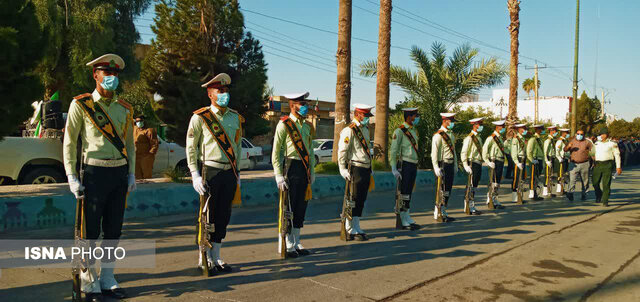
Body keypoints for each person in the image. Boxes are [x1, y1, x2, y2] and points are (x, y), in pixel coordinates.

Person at [63, 54, 135, 301]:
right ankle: (88, 280)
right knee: (89, 231)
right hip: (93, 172)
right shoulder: (81, 105)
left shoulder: (125, 108)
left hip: (119, 173)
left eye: (115, 75)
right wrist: (71, 176)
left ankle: (108, 277)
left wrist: (132, 172)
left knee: (114, 229)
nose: (111, 78)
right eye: (107, 74)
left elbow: (129, 145)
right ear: (95, 75)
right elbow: (70, 143)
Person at [186, 73, 243, 273]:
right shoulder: (200, 118)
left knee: (223, 216)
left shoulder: (235, 117)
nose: (224, 94)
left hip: (229, 171)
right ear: (210, 94)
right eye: (220, 91)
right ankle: (203, 256)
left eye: (226, 91)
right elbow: (191, 148)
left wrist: (238, 174)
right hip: (209, 170)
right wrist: (194, 173)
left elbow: (236, 146)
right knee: (207, 216)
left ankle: (217, 256)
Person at [272, 92, 316, 257]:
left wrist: (312, 170)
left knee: (300, 206)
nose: (305, 106)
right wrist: (278, 175)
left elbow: (310, 150)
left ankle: (296, 241)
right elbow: (276, 152)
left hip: (303, 169)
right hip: (289, 167)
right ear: (292, 105)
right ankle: (286, 243)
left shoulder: (306, 126)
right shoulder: (284, 124)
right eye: (301, 103)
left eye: (306, 103)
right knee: (288, 207)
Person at [338, 104, 375, 239]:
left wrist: (371, 168)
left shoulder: (364, 129)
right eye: (365, 116)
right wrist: (342, 168)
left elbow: (367, 150)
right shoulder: (349, 130)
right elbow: (342, 151)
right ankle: (349, 227)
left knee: (361, 199)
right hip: (355, 168)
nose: (367, 119)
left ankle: (356, 225)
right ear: (358, 114)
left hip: (365, 168)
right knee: (352, 198)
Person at [389, 108, 421, 229]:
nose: (417, 118)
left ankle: (407, 215)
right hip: (405, 164)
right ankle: (402, 218)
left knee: (409, 191)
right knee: (403, 191)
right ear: (409, 117)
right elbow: (394, 150)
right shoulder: (400, 131)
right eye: (415, 116)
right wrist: (393, 167)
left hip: (413, 164)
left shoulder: (413, 130)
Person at [431, 112, 458, 222]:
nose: (452, 124)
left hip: (450, 164)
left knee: (448, 189)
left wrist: (456, 164)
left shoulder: (451, 134)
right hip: (443, 164)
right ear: (445, 121)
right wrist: (436, 167)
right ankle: (437, 210)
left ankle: (444, 209)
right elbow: (434, 153)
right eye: (451, 121)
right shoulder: (438, 135)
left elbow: (454, 151)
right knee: (441, 189)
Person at [592, 127, 622, 206]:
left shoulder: (612, 143)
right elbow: (592, 153)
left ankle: (605, 200)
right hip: (597, 165)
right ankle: (599, 195)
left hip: (607, 165)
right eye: (601, 134)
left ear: (607, 135)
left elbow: (617, 155)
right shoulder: (596, 143)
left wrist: (618, 167)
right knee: (595, 183)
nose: (602, 135)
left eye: (604, 134)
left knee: (606, 183)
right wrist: (592, 157)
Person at [460, 117, 484, 215]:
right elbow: (464, 152)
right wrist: (465, 165)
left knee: (474, 185)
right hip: (472, 163)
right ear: (474, 126)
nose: (481, 126)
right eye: (479, 124)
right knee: (471, 185)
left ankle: (471, 204)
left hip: (478, 163)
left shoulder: (478, 137)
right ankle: (469, 205)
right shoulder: (469, 138)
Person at [482, 120, 507, 209]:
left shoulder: (500, 138)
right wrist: (488, 162)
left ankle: (495, 198)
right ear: (498, 127)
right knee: (493, 181)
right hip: (494, 161)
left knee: (497, 182)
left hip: (500, 161)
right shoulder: (491, 138)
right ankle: (490, 199)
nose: (504, 128)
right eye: (502, 127)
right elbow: (484, 150)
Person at [563, 129, 593, 201]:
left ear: (584, 135)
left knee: (585, 180)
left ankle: (584, 194)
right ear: (576, 134)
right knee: (572, 180)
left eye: (581, 134)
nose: (579, 135)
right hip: (573, 164)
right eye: (578, 134)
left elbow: (592, 152)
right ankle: (570, 194)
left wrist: (594, 161)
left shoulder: (587, 142)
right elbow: (565, 150)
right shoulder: (572, 141)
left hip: (584, 163)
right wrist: (568, 146)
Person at [526, 125, 545, 201]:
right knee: (533, 177)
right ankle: (532, 193)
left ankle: (535, 193)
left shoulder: (539, 139)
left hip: (539, 160)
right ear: (537, 130)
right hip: (534, 160)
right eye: (541, 129)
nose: (542, 131)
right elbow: (529, 151)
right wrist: (531, 160)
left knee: (537, 177)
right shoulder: (533, 139)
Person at [510, 123, 528, 202]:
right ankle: (514, 197)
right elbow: (514, 152)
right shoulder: (515, 139)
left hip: (523, 159)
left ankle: (519, 196)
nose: (525, 130)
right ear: (519, 130)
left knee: (521, 178)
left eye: (525, 128)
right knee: (516, 178)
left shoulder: (523, 139)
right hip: (518, 159)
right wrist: (517, 162)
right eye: (523, 128)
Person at [542, 126, 558, 198]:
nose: (556, 133)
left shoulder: (552, 140)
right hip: (548, 158)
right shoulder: (547, 141)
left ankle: (549, 191)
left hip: (552, 158)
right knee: (547, 175)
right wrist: (546, 160)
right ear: (551, 131)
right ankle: (545, 191)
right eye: (555, 131)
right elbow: (545, 151)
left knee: (550, 175)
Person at [554, 128, 571, 194]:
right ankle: (559, 189)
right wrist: (559, 158)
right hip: (561, 159)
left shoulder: (564, 140)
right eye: (567, 133)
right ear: (564, 133)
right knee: (560, 174)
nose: (568, 134)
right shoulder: (560, 141)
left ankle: (562, 188)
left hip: (565, 159)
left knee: (563, 174)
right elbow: (557, 151)